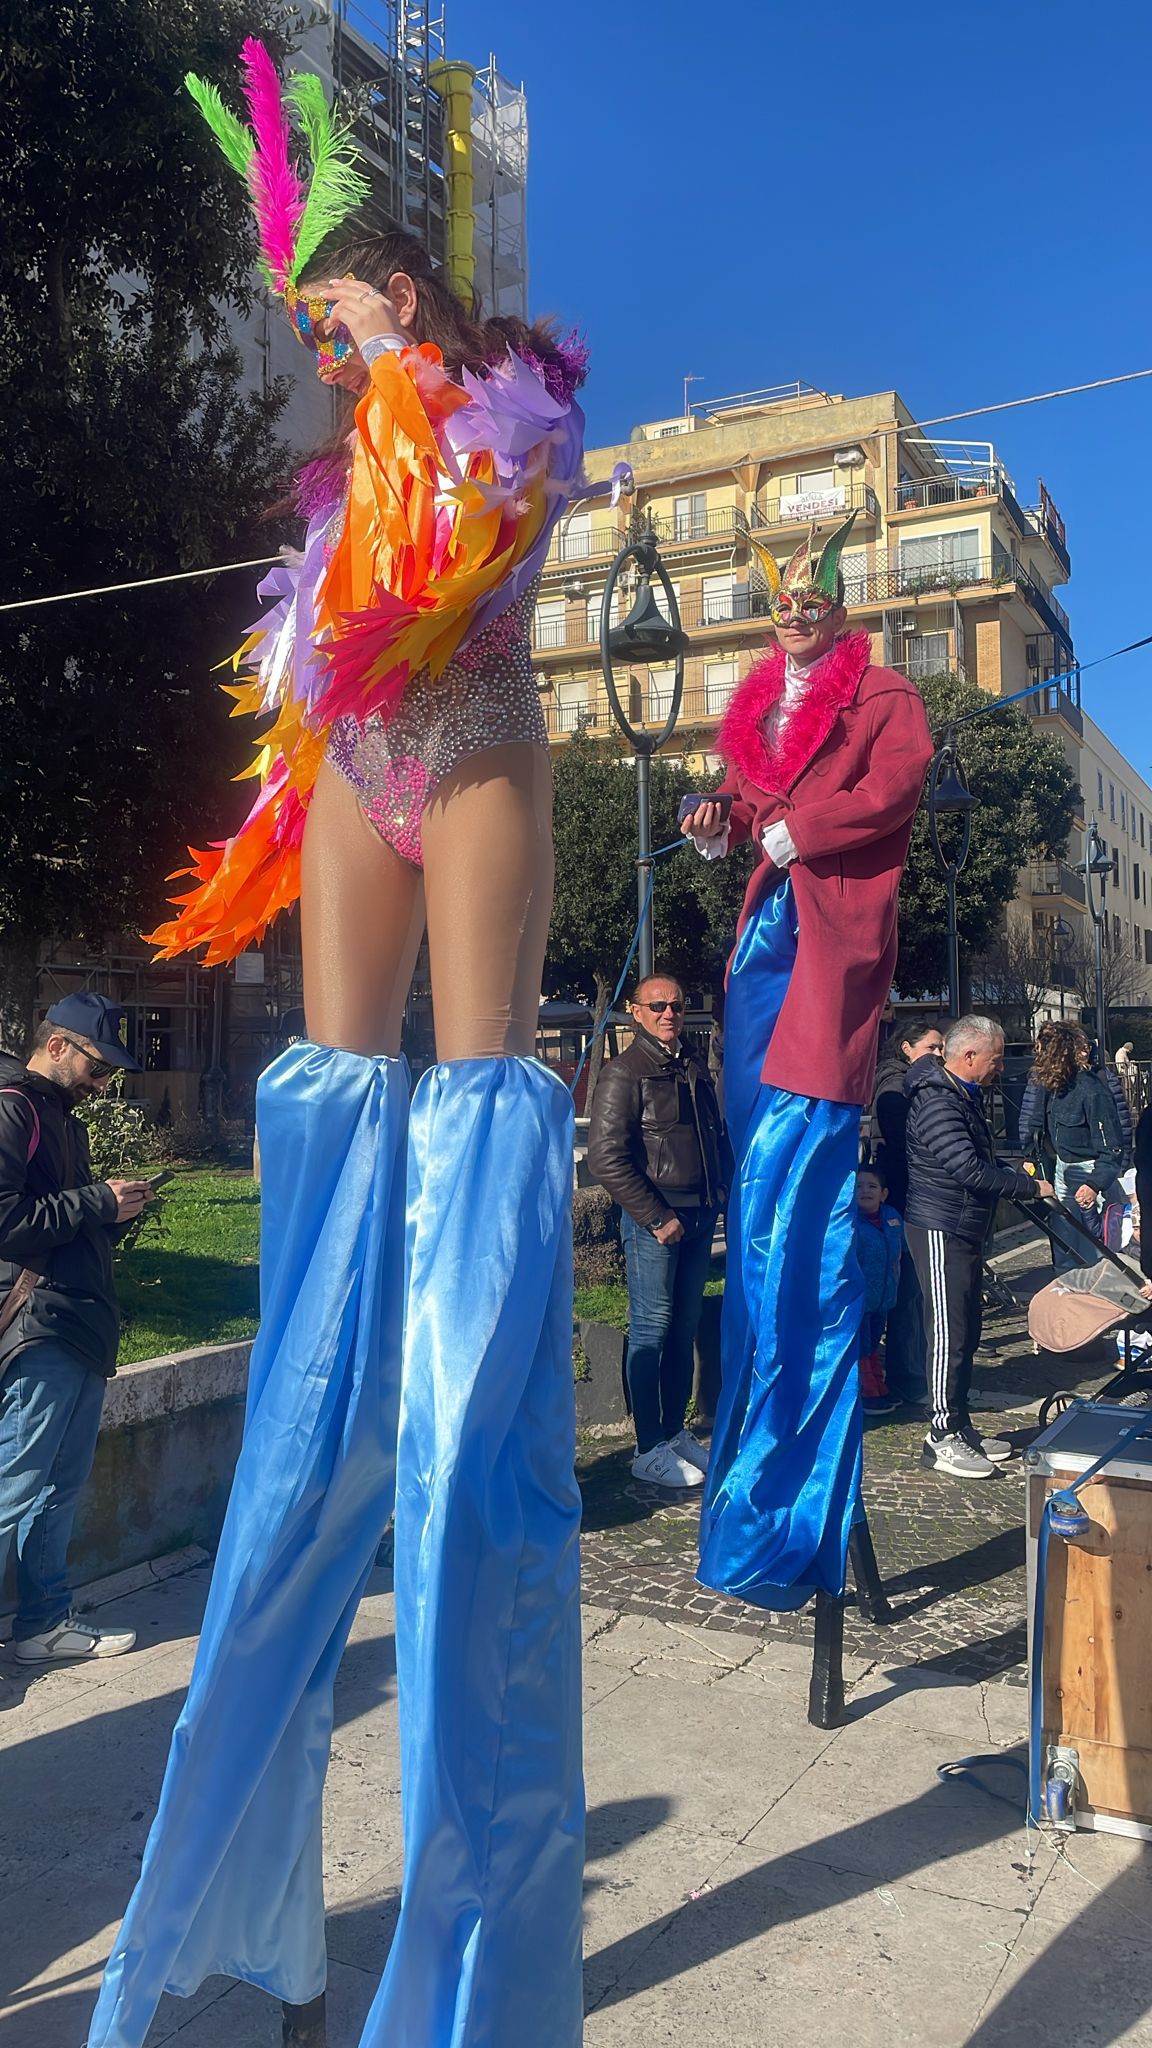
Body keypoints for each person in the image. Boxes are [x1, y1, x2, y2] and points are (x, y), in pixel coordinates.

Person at [90, 44, 588, 2048]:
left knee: (468, 1172)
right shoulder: (331, 478)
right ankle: (262, 1912)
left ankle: (465, 1950)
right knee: (323, 1178)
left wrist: (400, 368)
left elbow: (480, 530)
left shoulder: (501, 403)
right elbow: (329, 624)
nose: (310, 344)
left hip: (469, 757)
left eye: (327, 312)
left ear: (395, 295)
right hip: (353, 779)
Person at [681, 514, 934, 1608]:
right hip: (765, 934)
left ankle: (788, 1482)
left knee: (801, 1171)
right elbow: (747, 805)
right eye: (780, 601)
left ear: (838, 606)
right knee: (759, 1169)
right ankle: (755, 1452)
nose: (794, 613)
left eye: (811, 600)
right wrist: (717, 818)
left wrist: (806, 830)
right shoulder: (759, 706)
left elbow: (893, 791)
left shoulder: (884, 695)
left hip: (830, 932)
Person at [0, 995, 151, 1661]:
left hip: (79, 1323)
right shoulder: (14, 1108)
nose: (102, 1084)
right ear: (57, 1045)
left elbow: (59, 1221)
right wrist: (96, 1201)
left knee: (57, 1491)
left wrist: (115, 1214)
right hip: (41, 1326)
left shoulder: (61, 1119)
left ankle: (42, 1625)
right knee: (13, 1488)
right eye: (98, 1067)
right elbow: (5, 1220)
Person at [587, 972, 730, 1490]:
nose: (669, 1013)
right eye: (658, 1006)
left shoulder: (691, 1063)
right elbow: (606, 1158)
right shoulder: (625, 1073)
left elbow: (713, 1136)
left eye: (677, 1005)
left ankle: (672, 1433)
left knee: (684, 1328)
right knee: (651, 1328)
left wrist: (721, 1194)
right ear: (636, 1012)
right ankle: (647, 1446)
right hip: (657, 1221)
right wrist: (654, 1216)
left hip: (699, 1215)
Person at [905, 1015, 1053, 1478]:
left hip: (965, 1226)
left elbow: (980, 1159)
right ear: (969, 1056)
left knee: (968, 1330)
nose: (1000, 1067)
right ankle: (941, 1434)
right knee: (947, 1332)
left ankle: (960, 1424)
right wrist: (1029, 1188)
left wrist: (1013, 1173)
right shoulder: (937, 1100)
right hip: (940, 1226)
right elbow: (967, 1169)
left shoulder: (961, 1094)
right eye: (996, 1058)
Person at [870, 1017, 945, 1404]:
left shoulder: (917, 1083)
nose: (939, 1054)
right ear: (907, 1048)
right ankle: (909, 1375)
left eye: (941, 1047)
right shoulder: (895, 1087)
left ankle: (914, 1369)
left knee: (916, 1291)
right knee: (909, 1290)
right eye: (931, 1047)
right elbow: (905, 1142)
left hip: (913, 1194)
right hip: (904, 1196)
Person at [1020, 1021, 1125, 1273]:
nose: (1036, 1055)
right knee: (1064, 1243)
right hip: (1062, 1169)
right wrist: (1031, 1158)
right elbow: (1037, 1124)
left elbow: (1112, 1146)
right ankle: (1065, 1285)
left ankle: (1094, 1289)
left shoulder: (1090, 1089)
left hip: (1089, 1171)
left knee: (1093, 1250)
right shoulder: (1051, 1086)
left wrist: (1094, 1184)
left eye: (1041, 1050)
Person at [854, 1167, 904, 1415]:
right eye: (859, 1186)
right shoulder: (850, 1222)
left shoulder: (891, 1217)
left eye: (872, 1186)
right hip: (860, 1298)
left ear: (883, 1194)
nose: (865, 1191)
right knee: (862, 1345)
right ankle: (867, 1392)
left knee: (874, 1342)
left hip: (884, 1296)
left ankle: (879, 1385)